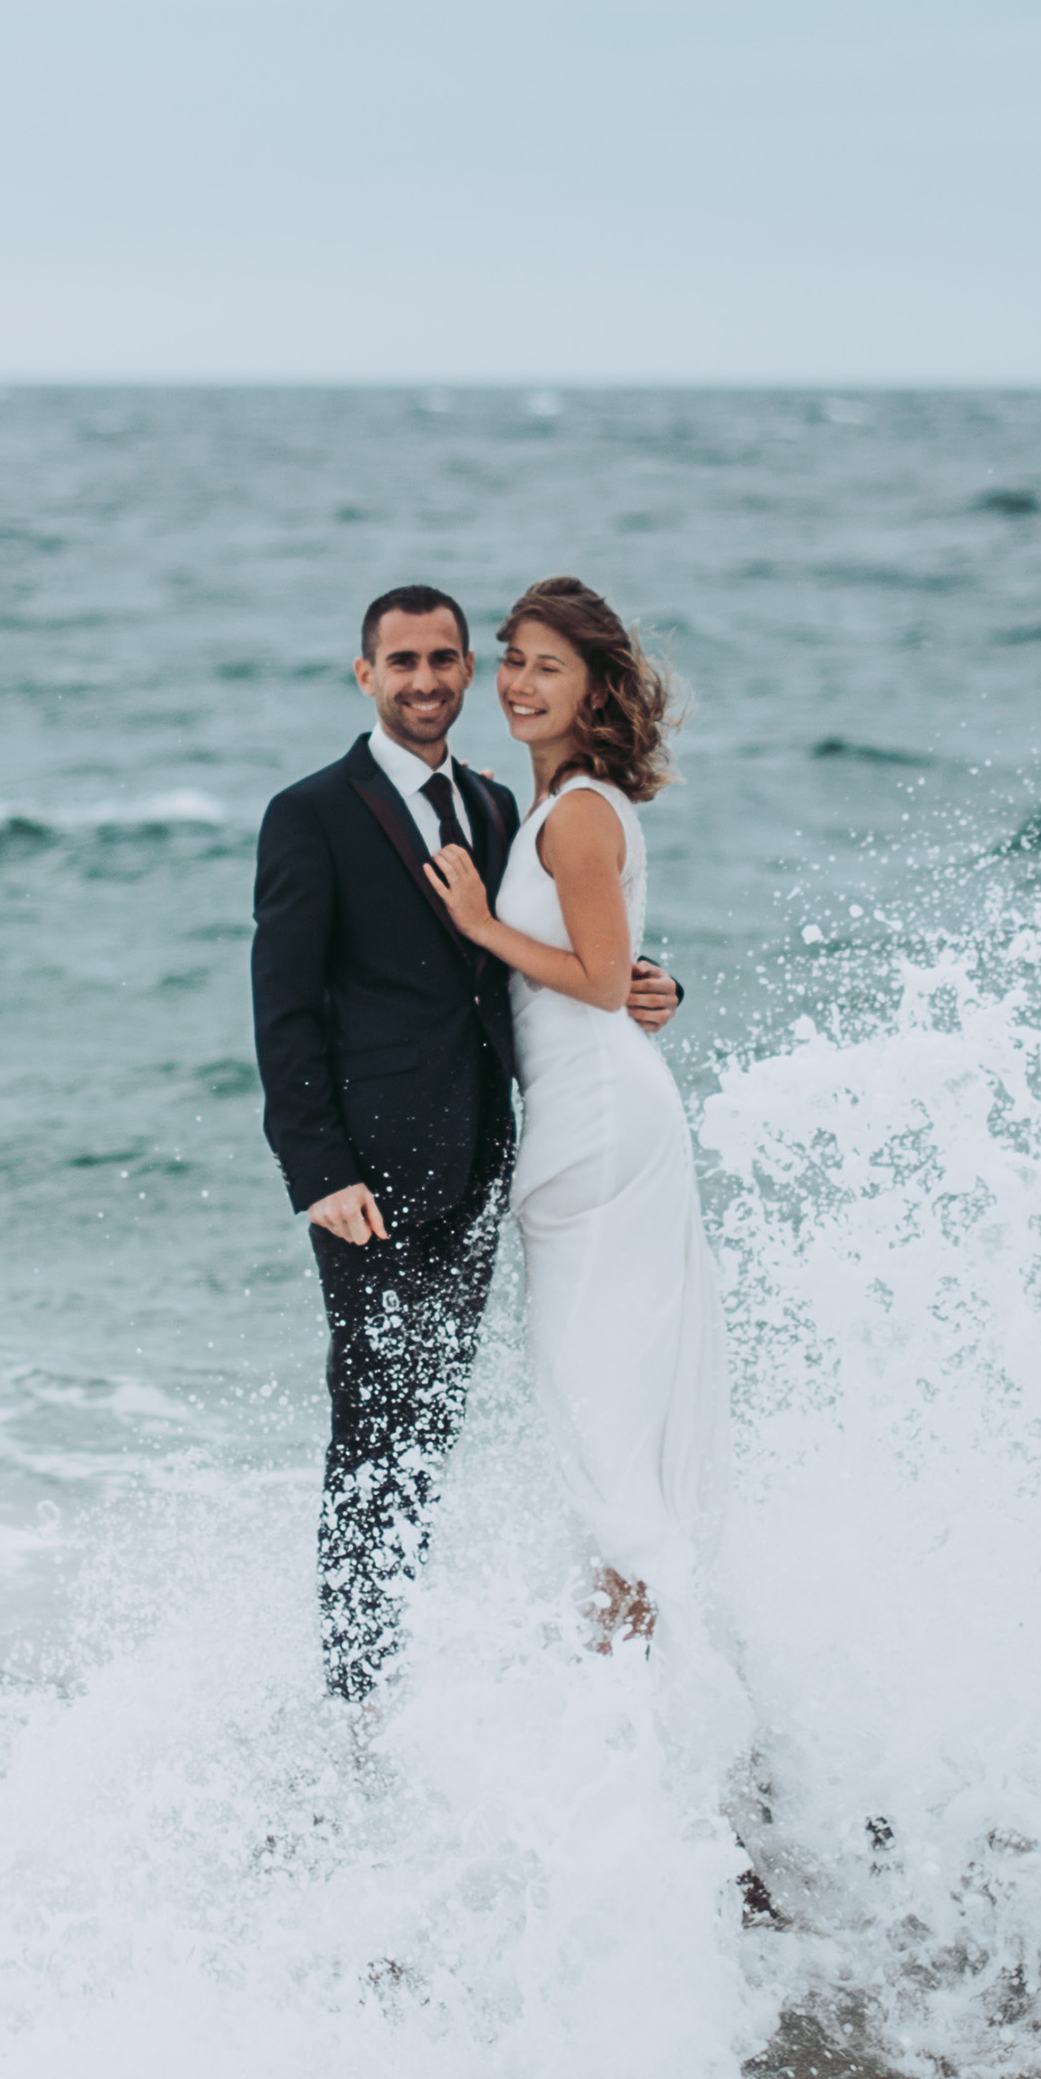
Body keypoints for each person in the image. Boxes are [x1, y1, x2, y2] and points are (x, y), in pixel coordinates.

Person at [252, 586, 682, 1709]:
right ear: (365, 675)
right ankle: (354, 1699)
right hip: (372, 1183)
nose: (431, 679)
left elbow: (565, 947)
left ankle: (410, 1677)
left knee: (429, 1432)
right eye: (404, 661)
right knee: (374, 1434)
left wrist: (654, 980)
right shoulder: (313, 814)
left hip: (491, 1162)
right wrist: (319, 1172)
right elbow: (283, 1010)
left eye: (448, 657)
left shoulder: (498, 806)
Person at [422, 577, 729, 1644]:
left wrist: (476, 921)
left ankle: (635, 1656)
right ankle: (629, 1656)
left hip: (602, 1123)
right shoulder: (553, 806)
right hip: (586, 1113)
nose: (518, 682)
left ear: (596, 687)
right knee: (597, 1402)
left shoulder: (585, 811)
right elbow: (621, 970)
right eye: (513, 659)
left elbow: (602, 980)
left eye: (548, 665)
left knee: (598, 1404)